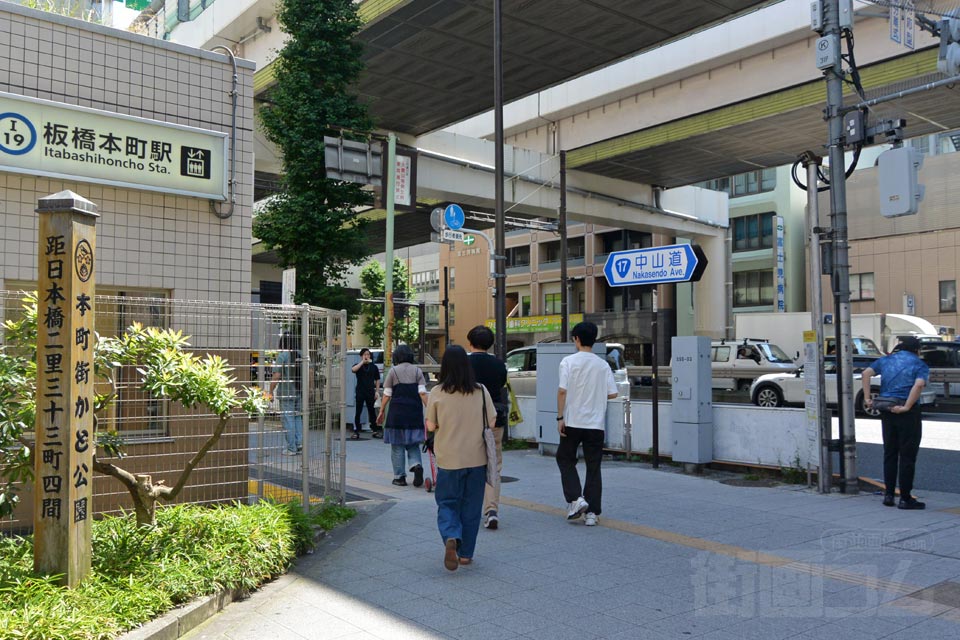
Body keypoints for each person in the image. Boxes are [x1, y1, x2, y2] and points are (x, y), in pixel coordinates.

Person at [427, 345, 497, 571]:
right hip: (476, 458)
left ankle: (451, 535)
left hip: (448, 458)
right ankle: (466, 555)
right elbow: (492, 422)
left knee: (447, 503)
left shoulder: (437, 392)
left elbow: (430, 425)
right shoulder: (481, 391)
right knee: (471, 506)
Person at [556, 322, 618, 526]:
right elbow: (613, 393)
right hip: (596, 423)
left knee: (565, 459)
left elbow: (562, 391)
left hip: (573, 420)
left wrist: (559, 417)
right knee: (593, 466)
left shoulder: (568, 361)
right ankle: (592, 513)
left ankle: (576, 499)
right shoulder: (603, 364)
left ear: (576, 339)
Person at [862, 336, 929, 510]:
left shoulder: (885, 360)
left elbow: (866, 373)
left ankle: (889, 495)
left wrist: (868, 398)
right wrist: (907, 406)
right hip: (907, 413)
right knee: (907, 455)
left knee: (890, 453)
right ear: (916, 350)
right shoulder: (919, 364)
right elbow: (919, 385)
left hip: (886, 409)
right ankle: (905, 498)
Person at [466, 325, 508, 530]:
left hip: (468, 422)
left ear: (470, 342)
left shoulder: (463, 364)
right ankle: (491, 510)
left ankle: (469, 508)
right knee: (493, 466)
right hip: (494, 421)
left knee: (469, 466)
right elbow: (501, 386)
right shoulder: (499, 365)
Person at [377, 345, 427, 486]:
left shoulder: (393, 372)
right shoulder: (418, 371)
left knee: (397, 446)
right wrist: (430, 409)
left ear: (397, 357)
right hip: (414, 412)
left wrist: (381, 411)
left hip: (397, 413)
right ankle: (417, 465)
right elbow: (422, 393)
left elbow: (387, 394)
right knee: (413, 444)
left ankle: (399, 477)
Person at [268, 332, 302, 456]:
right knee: (298, 417)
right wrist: (309, 389)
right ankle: (299, 443)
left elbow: (276, 375)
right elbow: (309, 372)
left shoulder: (283, 356)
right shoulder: (301, 355)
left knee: (288, 420)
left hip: (286, 392)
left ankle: (291, 448)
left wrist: (270, 391)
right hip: (300, 392)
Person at [351, 348, 381, 440]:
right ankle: (356, 431)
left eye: (368, 354)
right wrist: (362, 362)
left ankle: (375, 430)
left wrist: (377, 391)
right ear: (361, 356)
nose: (366, 356)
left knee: (372, 411)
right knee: (358, 411)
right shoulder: (358, 366)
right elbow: (353, 370)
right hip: (360, 391)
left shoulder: (374, 367)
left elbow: (377, 379)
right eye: (364, 354)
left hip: (370, 391)